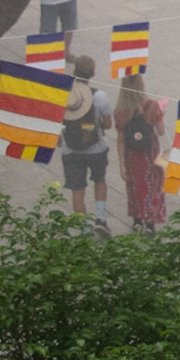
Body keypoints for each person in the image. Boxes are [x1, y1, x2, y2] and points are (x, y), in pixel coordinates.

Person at [61, 55, 112, 233]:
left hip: (70, 149)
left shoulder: (64, 94)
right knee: (99, 181)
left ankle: (83, 227)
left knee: (77, 188)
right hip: (96, 149)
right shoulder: (100, 96)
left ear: (74, 71)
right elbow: (108, 124)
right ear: (93, 73)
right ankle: (100, 218)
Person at [116, 74, 167, 234]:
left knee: (135, 186)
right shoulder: (151, 105)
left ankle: (137, 220)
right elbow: (160, 131)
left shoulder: (120, 110)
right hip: (149, 154)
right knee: (152, 185)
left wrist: (122, 165)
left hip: (132, 156)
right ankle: (150, 223)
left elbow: (120, 139)